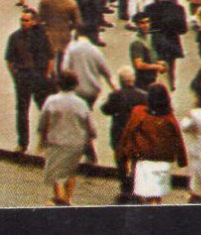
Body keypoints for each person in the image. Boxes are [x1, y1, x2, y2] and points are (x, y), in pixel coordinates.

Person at [117, 83, 186, 205]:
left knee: (146, 197)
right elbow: (178, 139)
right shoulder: (169, 118)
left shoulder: (139, 113)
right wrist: (182, 160)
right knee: (156, 196)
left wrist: (123, 154)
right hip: (164, 162)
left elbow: (128, 133)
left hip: (145, 161)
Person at [36, 71, 96, 206]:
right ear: (75, 85)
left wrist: (41, 141)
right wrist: (91, 137)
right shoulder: (81, 103)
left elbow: (42, 123)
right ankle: (67, 198)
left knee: (56, 172)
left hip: (56, 142)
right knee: (71, 171)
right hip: (76, 143)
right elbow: (90, 126)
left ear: (58, 84)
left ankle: (60, 199)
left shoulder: (51, 101)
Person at [5, 6, 56, 153]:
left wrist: (46, 75)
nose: (23, 23)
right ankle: (22, 143)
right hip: (23, 77)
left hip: (38, 77)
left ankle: (49, 140)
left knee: (44, 109)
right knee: (22, 111)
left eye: (26, 20)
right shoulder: (14, 37)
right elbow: (9, 60)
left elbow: (51, 57)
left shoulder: (42, 36)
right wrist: (15, 76)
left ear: (33, 22)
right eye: (21, 20)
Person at [99, 67, 149, 199]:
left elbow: (105, 110)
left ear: (120, 81)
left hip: (119, 132)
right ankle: (134, 184)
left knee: (121, 159)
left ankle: (124, 185)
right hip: (137, 133)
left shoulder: (116, 95)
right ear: (133, 79)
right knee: (136, 160)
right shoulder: (143, 96)